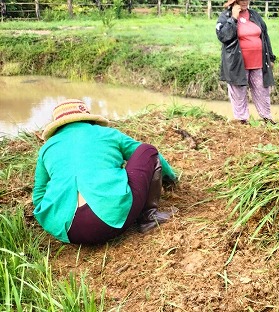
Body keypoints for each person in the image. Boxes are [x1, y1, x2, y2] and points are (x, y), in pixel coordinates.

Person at [32, 99, 179, 245]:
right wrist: (170, 178)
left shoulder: (46, 148)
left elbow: (38, 196)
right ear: (89, 119)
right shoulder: (108, 133)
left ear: (57, 127)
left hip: (67, 232)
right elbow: (148, 155)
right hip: (107, 222)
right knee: (147, 150)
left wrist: (53, 221)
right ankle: (149, 217)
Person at [216, 0, 277, 125]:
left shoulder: (255, 15)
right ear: (234, 1)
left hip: (258, 62)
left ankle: (267, 118)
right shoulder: (225, 17)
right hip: (237, 63)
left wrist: (271, 57)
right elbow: (223, 36)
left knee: (262, 90)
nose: (244, 2)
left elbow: (265, 36)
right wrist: (234, 19)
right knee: (238, 92)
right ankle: (242, 120)